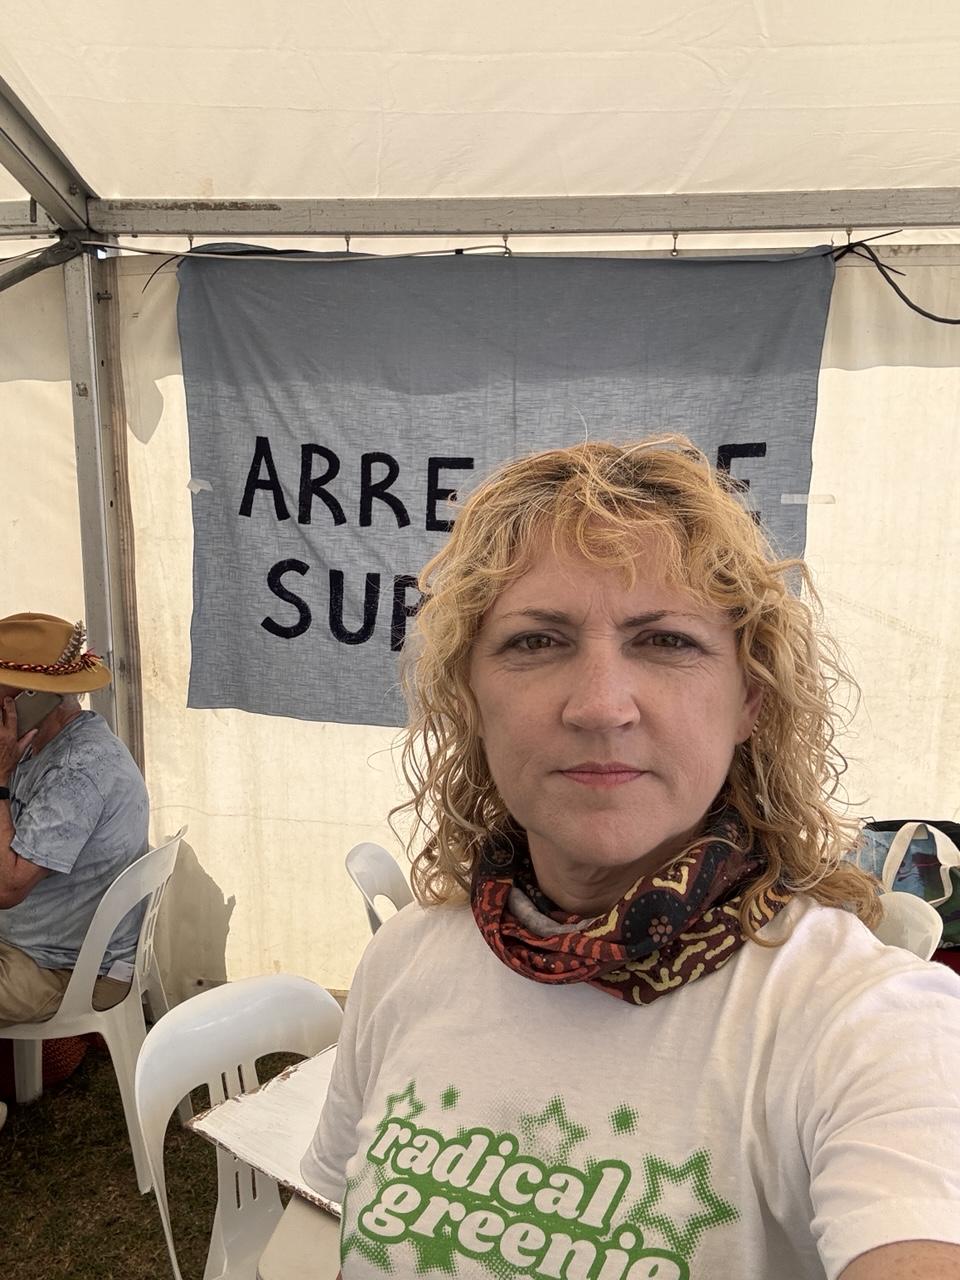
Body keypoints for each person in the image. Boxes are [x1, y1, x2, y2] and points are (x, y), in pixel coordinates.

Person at [302, 437, 960, 1280]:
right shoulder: (405, 961)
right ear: (470, 697)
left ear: (749, 700)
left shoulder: (866, 1025)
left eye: (668, 642)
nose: (601, 706)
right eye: (536, 642)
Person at [0, 612, 149, 1031]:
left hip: (63, 970)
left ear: (34, 696)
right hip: (37, 946)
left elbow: (7, 888)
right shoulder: (40, 745)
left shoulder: (75, 771)